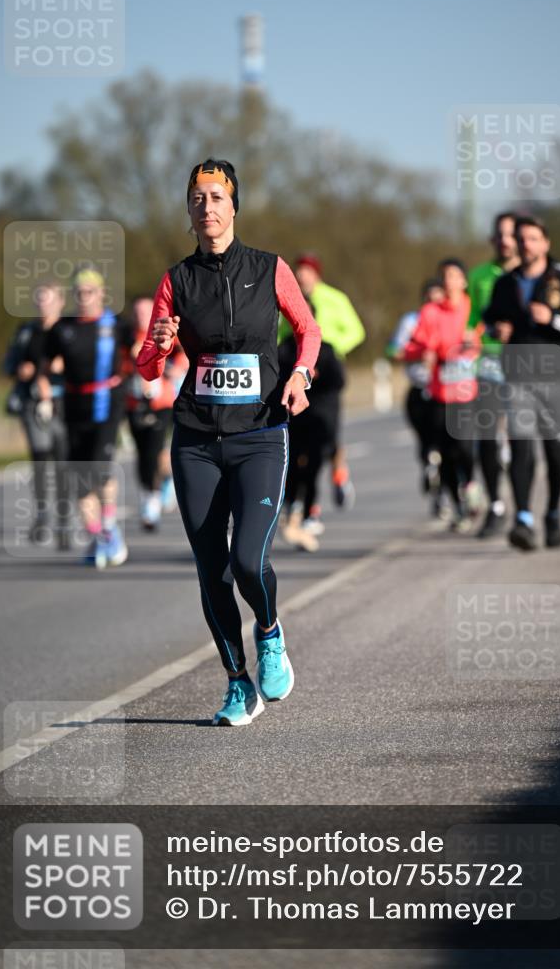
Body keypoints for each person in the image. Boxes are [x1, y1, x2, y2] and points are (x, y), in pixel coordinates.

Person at [137, 159, 321, 727]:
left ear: (234, 206)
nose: (207, 207)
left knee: (247, 559)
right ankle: (238, 682)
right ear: (189, 211)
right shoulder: (177, 280)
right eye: (197, 198)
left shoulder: (269, 268)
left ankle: (269, 631)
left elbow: (308, 329)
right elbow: (147, 368)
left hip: (260, 435)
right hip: (196, 440)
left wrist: (300, 375)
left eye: (217, 197)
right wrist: (160, 343)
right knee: (212, 568)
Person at [483, 216, 560, 551]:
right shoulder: (506, 283)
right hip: (517, 375)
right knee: (521, 448)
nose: (526, 244)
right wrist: (497, 331)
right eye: (521, 239)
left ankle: (553, 513)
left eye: (533, 238)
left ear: (546, 243)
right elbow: (490, 320)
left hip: (554, 376)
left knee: (554, 452)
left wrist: (555, 320)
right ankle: (523, 518)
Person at [38, 268, 134, 568]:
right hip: (73, 404)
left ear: (101, 294)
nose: (84, 298)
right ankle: (99, 535)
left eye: (89, 292)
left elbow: (137, 353)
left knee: (101, 468)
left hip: (107, 403)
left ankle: (108, 527)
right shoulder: (62, 328)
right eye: (78, 293)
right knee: (79, 477)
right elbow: (44, 365)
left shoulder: (115, 324)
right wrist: (45, 396)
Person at [281, 253, 365, 510]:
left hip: (326, 371)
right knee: (300, 440)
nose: (301, 275)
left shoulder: (334, 298)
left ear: (316, 273)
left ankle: (339, 474)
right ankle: (301, 497)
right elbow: (279, 333)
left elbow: (356, 331)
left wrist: (330, 348)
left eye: (307, 271)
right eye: (299, 270)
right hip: (297, 371)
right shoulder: (288, 296)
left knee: (328, 433)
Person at [402, 259, 482, 531]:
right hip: (440, 392)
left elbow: (487, 338)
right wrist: (423, 351)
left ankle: (470, 484)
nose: (449, 281)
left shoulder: (472, 309)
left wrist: (474, 344)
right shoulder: (430, 312)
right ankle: (458, 507)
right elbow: (412, 347)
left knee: (465, 447)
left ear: (464, 281)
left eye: (454, 275)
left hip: (467, 390)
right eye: (444, 276)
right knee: (446, 452)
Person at [3, 281, 70, 548]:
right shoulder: (26, 332)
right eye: (39, 300)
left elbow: (86, 363)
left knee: (63, 462)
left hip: (63, 403)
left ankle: (64, 519)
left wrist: (64, 365)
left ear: (60, 302)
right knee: (40, 461)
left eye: (49, 299)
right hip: (32, 404)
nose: (44, 305)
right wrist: (20, 369)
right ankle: (42, 515)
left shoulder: (69, 330)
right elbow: (8, 363)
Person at [466, 212, 520, 538]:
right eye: (500, 235)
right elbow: (470, 320)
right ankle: (496, 505)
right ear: (492, 240)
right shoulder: (479, 276)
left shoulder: (532, 275)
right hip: (488, 363)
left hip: (524, 363)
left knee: (521, 436)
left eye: (511, 234)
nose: (505, 241)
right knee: (486, 434)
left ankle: (524, 509)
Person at [279, 308, 346, 551]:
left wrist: (314, 377)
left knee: (314, 465)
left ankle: (309, 510)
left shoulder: (326, 350)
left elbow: (339, 381)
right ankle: (292, 504)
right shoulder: (284, 349)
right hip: (294, 418)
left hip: (320, 416)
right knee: (292, 464)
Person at [125, 295, 188, 530]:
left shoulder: (164, 331)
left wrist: (176, 369)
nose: (141, 316)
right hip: (134, 402)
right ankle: (152, 489)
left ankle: (151, 502)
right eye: (137, 312)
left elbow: (183, 355)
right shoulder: (128, 336)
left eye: (145, 312)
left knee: (154, 449)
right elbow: (120, 363)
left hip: (161, 402)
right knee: (142, 453)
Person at [386, 278, 445, 517]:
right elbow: (392, 350)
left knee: (449, 446)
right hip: (420, 389)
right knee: (426, 443)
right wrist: (417, 353)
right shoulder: (411, 321)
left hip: (447, 391)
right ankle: (436, 488)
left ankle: (453, 488)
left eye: (438, 298)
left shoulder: (452, 319)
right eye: (429, 298)